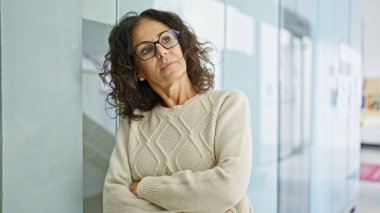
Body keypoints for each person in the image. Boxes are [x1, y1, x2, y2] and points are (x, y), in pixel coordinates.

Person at [100, 8, 253, 213]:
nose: (162, 51)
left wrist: (145, 187)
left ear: (181, 45)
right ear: (137, 71)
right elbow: (114, 204)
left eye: (166, 39)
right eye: (146, 50)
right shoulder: (133, 123)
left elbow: (227, 188)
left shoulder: (227, 105)